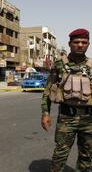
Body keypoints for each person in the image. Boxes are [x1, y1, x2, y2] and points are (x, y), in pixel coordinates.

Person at [41, 28, 92, 172]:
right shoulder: (59, 65)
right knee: (60, 154)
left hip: (89, 119)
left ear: (88, 44)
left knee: (87, 156)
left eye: (84, 42)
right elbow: (48, 90)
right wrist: (45, 113)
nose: (80, 45)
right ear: (70, 44)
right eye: (76, 42)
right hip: (66, 118)